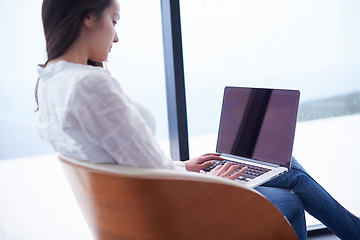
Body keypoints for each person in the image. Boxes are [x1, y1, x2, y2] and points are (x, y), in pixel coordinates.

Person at [35, 0, 360, 239]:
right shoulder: (91, 84)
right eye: (114, 21)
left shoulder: (50, 82)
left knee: (283, 163)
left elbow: (130, 166)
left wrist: (184, 166)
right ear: (88, 17)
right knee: (291, 193)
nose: (116, 37)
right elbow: (152, 178)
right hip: (180, 210)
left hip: (154, 203)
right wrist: (217, 183)